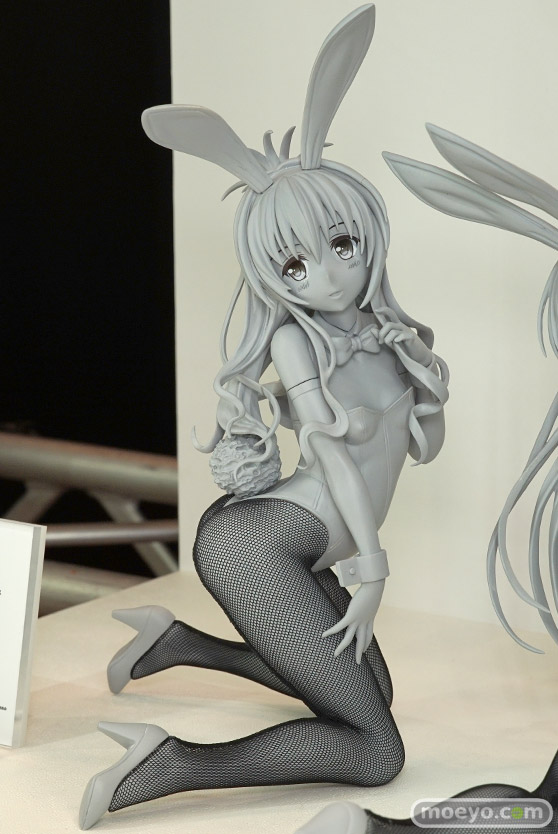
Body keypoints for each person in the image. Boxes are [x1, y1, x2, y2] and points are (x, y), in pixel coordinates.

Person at [79, 6, 448, 828]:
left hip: (306, 545)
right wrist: (374, 569)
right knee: (375, 749)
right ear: (273, 274)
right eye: (295, 262)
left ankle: (174, 645)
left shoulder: (387, 333)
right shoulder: (294, 341)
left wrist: (428, 381)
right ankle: (166, 764)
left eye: (341, 245)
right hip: (260, 545)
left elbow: (420, 448)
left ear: (367, 234)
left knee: (373, 692)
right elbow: (337, 460)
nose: (328, 274)